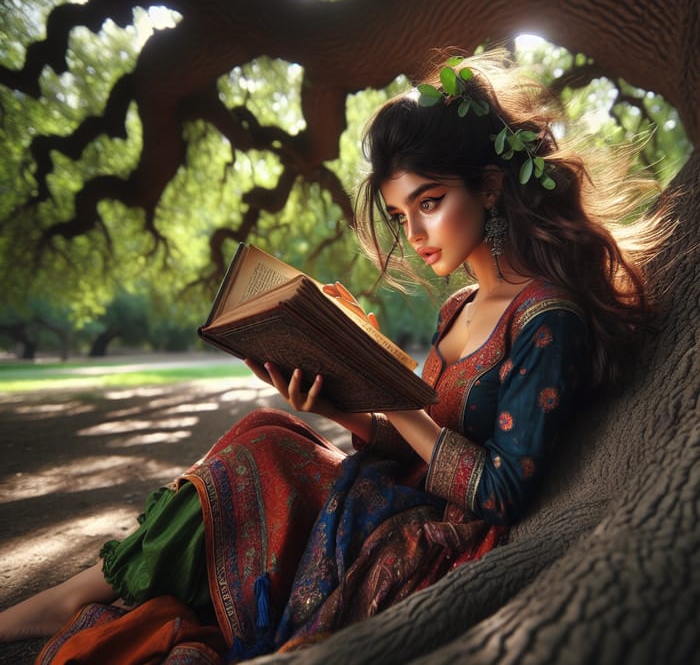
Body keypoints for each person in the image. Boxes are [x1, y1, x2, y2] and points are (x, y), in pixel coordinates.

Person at [0, 50, 669, 663]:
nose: (415, 234)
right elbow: (408, 439)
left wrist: (390, 394)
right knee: (270, 429)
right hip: (393, 491)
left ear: (490, 186)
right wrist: (344, 396)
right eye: (401, 215)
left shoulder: (547, 316)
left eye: (429, 204)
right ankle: (88, 586)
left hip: (435, 536)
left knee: (266, 453)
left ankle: (79, 597)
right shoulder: (457, 308)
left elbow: (499, 491)